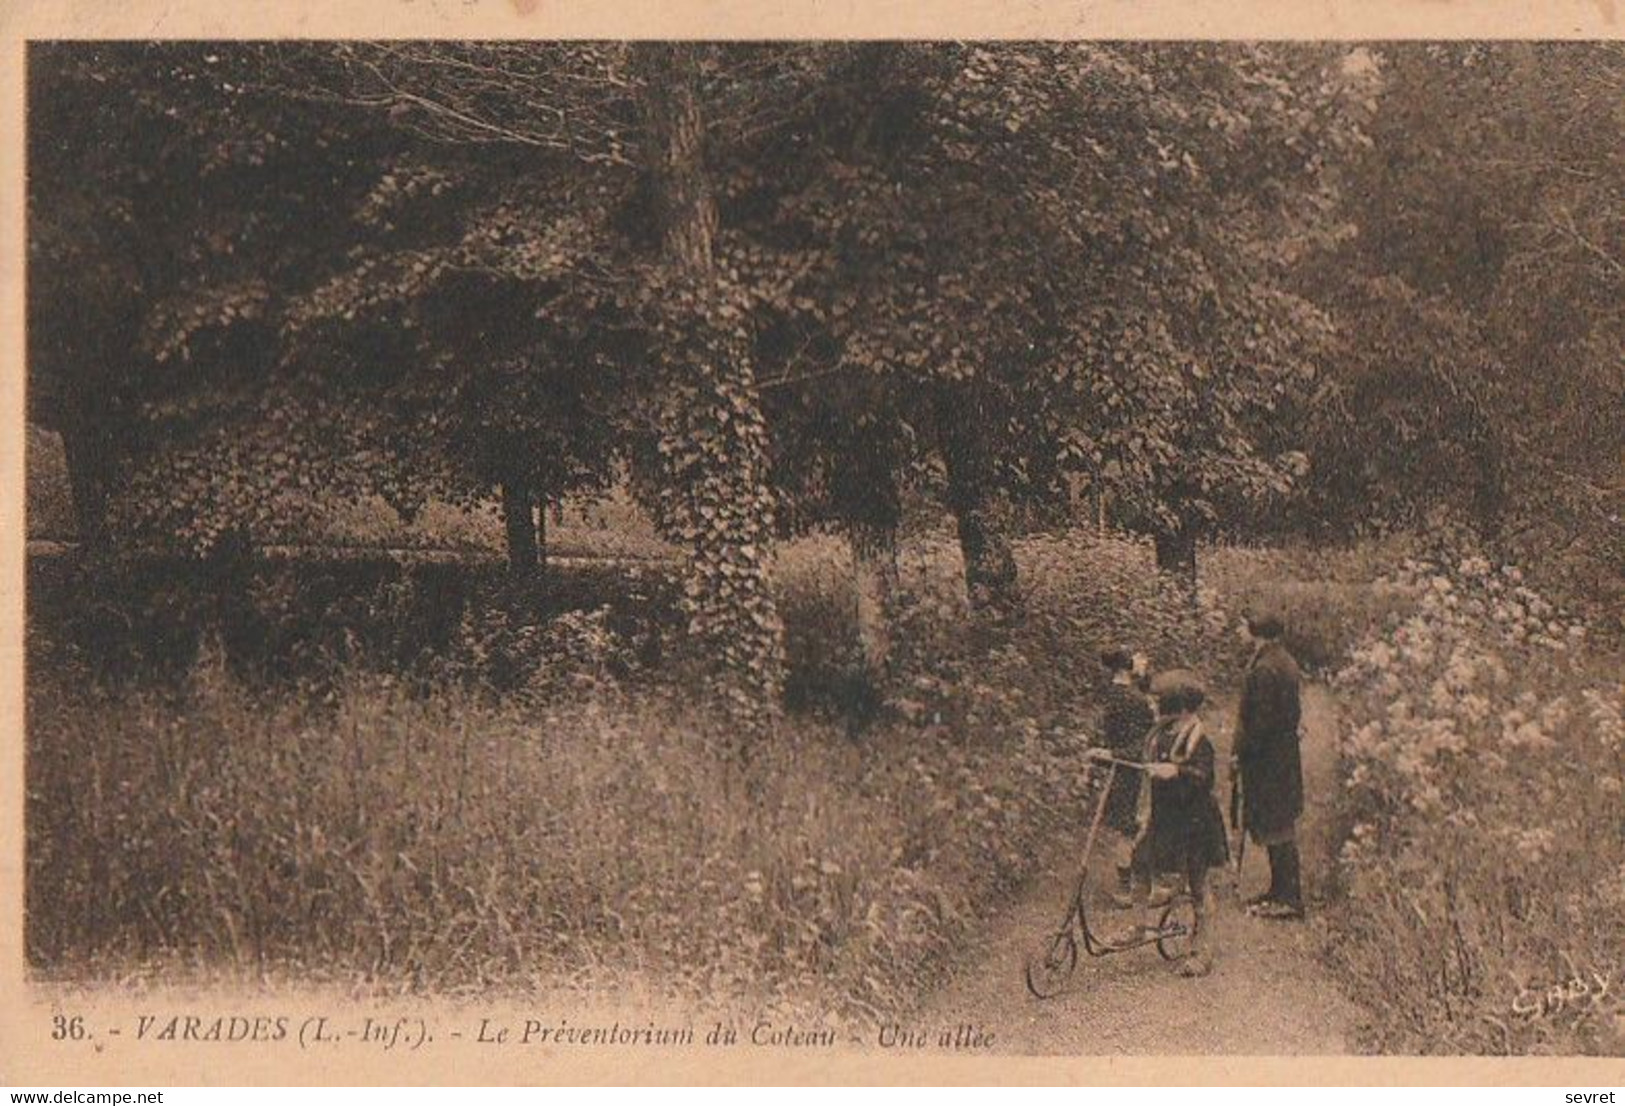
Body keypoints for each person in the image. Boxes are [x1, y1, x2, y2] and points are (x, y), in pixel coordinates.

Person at [1098, 669, 1228, 977]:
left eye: (1159, 701)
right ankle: (1139, 925)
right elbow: (1140, 756)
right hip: (1165, 818)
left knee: (1198, 884)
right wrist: (1110, 754)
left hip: (1194, 822)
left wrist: (1178, 772)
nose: (1153, 706)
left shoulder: (1198, 739)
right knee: (1140, 864)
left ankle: (1202, 949)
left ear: (1181, 706)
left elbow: (1204, 776)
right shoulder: (1160, 732)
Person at [1232, 612, 1306, 921]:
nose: (1240, 632)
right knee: (1279, 822)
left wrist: (1242, 753)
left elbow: (1261, 724)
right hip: (1282, 757)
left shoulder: (1264, 669)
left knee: (1277, 826)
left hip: (1268, 761)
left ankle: (1289, 899)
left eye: (1243, 626)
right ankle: (1279, 891)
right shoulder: (1284, 660)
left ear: (1256, 631)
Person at [1091, 647, 1155, 909]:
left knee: (1126, 827)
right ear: (1126, 667)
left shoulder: (1111, 694)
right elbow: (1145, 742)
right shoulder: (1136, 701)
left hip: (1118, 767)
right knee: (1134, 826)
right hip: (1133, 767)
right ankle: (1129, 886)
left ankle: (1127, 884)